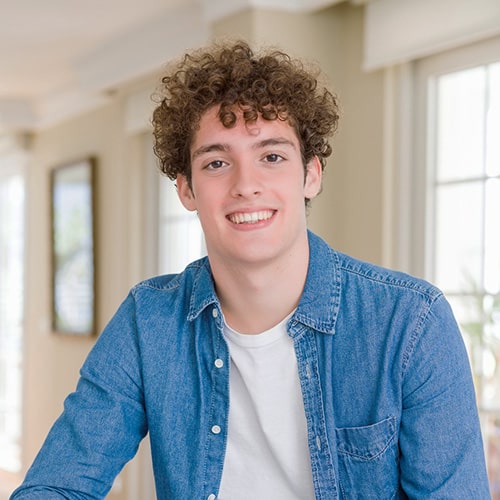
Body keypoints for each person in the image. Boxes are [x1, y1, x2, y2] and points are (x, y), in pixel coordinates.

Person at [11, 39, 491, 499]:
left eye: (272, 157)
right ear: (186, 189)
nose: (246, 185)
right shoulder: (148, 321)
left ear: (311, 174)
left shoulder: (411, 323)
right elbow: (57, 485)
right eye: (217, 163)